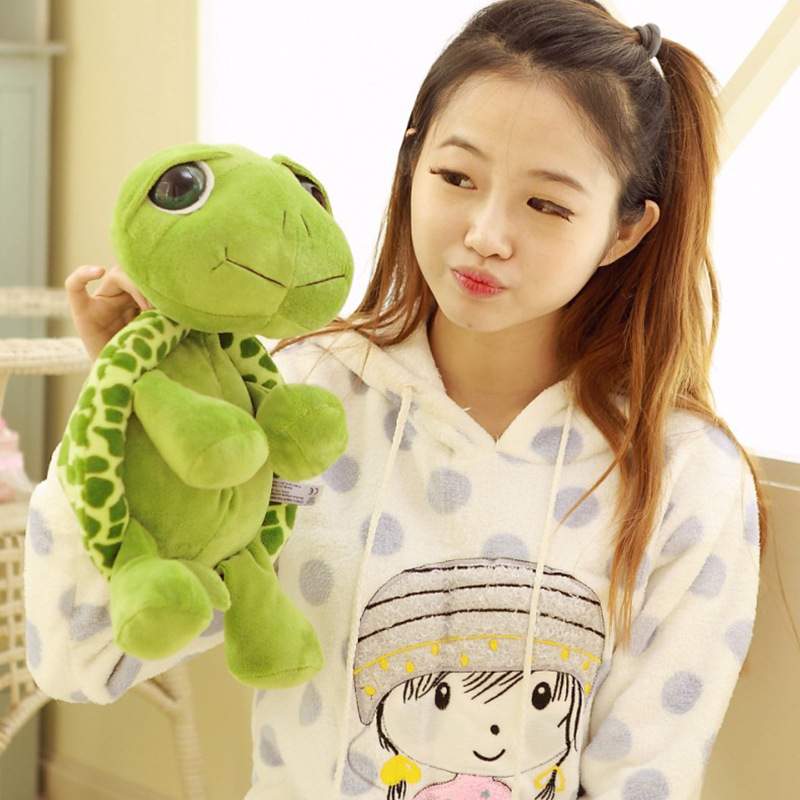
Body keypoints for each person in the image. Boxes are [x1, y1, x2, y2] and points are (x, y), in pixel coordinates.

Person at [25, 1, 764, 798]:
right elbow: (81, 656)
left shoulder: (685, 475)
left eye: (546, 204)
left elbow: (644, 776)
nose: (485, 234)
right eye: (456, 177)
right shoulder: (302, 403)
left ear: (624, 231)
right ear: (412, 165)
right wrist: (132, 408)